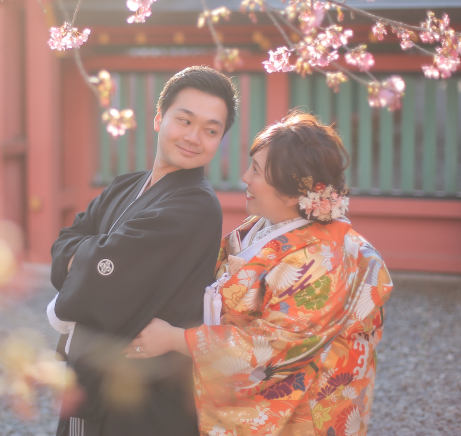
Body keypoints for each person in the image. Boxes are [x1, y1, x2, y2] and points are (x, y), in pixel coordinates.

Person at [126, 111, 394, 436]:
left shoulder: (321, 260)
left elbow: (273, 348)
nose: (244, 177)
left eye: (256, 170)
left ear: (295, 190)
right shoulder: (265, 223)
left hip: (303, 406)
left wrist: (176, 339)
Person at [49, 66, 239, 436]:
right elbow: (66, 239)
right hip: (97, 375)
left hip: (146, 392)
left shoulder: (194, 205)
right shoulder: (127, 185)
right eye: (184, 120)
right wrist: (91, 254)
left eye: (211, 131)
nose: (194, 137)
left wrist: (85, 255)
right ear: (158, 118)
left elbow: (97, 273)